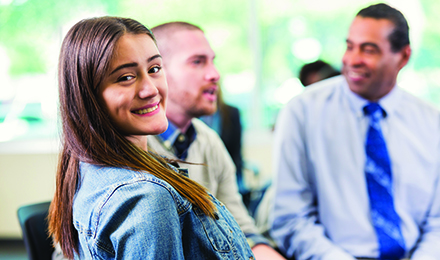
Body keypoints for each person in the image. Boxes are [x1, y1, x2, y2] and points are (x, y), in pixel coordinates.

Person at [47, 16, 254, 260]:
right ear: (88, 97)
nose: (151, 89)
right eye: (125, 77)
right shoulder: (145, 198)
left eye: (154, 69)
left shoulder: (91, 167)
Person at [271, 3, 440, 260]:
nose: (352, 59)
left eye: (368, 50)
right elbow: (291, 219)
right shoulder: (302, 111)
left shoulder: (431, 122)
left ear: (403, 57)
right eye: (349, 46)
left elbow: (437, 221)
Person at [147, 21, 285, 259]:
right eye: (197, 62)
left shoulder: (208, 140)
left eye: (213, 61)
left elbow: (241, 230)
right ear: (158, 71)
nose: (215, 74)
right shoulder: (128, 145)